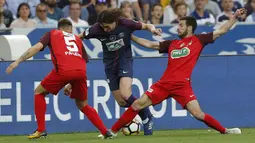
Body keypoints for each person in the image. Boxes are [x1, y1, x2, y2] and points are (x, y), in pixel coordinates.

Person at [109, 8, 247, 136]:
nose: (178, 27)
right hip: (164, 84)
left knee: (198, 114)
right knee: (137, 105)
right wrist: (130, 36)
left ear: (189, 27)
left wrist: (234, 17)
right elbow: (150, 44)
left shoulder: (199, 40)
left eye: (181, 25)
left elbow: (221, 31)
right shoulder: (172, 43)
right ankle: (112, 131)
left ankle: (225, 131)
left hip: (182, 86)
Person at [6, 18, 113, 139]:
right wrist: (71, 83)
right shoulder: (77, 39)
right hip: (81, 72)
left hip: (63, 71)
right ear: (71, 29)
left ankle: (41, 130)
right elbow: (81, 62)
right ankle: (105, 132)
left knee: (38, 92)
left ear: (59, 28)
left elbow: (36, 47)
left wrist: (17, 62)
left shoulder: (52, 33)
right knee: (83, 105)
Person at [64, 8, 162, 136]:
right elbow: (79, 37)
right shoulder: (95, 29)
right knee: (121, 102)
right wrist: (66, 43)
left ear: (115, 21)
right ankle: (143, 110)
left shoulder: (126, 23)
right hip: (109, 65)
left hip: (124, 61)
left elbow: (146, 25)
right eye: (103, 27)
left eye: (107, 26)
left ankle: (146, 115)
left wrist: (153, 29)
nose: (105, 29)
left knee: (126, 94)